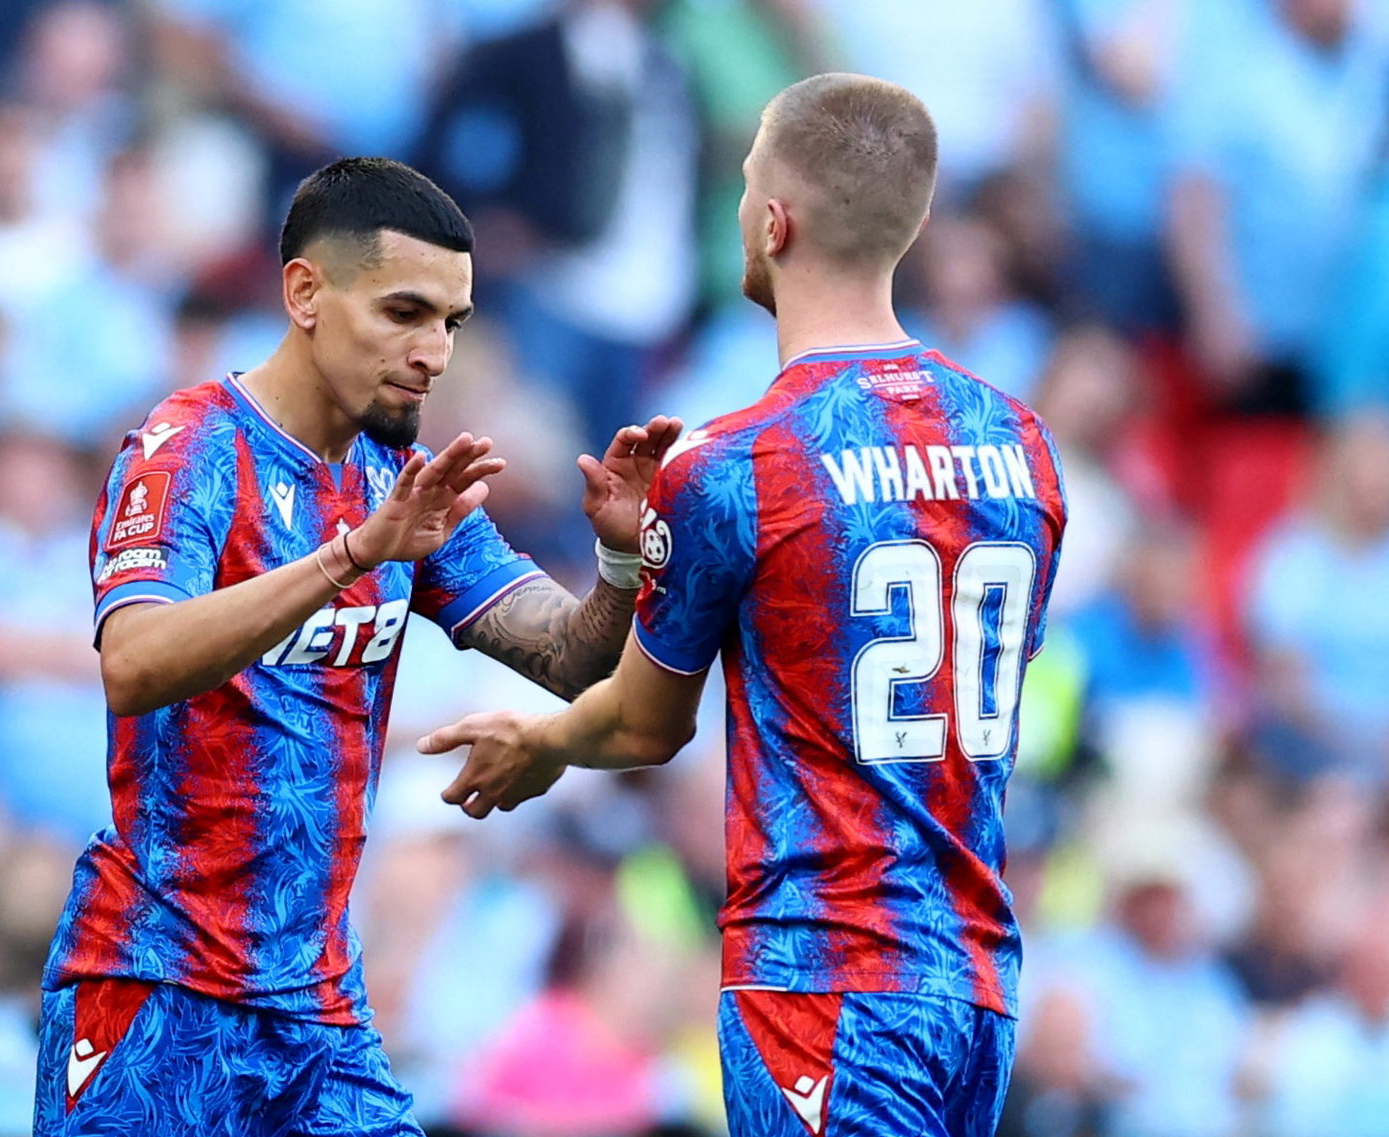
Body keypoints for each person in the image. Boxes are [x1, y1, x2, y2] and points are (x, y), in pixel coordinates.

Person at [421, 75, 1067, 1137]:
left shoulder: (736, 464)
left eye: (740, 188)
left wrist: (543, 742)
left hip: (822, 978)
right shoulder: (1021, 446)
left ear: (774, 222)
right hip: (976, 983)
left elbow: (642, 722)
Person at [33, 157, 680, 1136]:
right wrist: (351, 555)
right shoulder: (191, 448)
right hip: (154, 992)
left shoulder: (405, 479)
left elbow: (568, 655)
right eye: (405, 312)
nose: (433, 352)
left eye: (451, 323)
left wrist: (623, 562)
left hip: (317, 1012)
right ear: (305, 294)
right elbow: (134, 661)